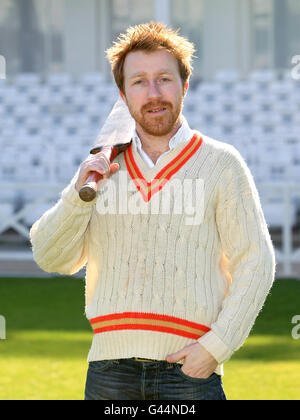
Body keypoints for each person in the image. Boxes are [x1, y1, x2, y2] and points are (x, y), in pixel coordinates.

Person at [30, 22, 276, 400]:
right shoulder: (101, 169)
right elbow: (50, 256)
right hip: (110, 374)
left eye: (164, 79)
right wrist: (79, 197)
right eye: (139, 82)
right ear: (122, 94)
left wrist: (216, 346)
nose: (154, 93)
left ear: (185, 86)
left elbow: (256, 261)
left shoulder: (222, 163)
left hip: (189, 372)